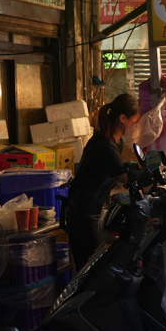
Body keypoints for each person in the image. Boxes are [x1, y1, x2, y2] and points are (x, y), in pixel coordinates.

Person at [64, 94, 141, 270]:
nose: (136, 125)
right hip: (84, 214)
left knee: (96, 266)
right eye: (135, 121)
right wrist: (148, 172)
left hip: (90, 211)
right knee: (92, 270)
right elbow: (126, 178)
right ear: (123, 118)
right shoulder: (106, 146)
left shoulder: (112, 141)